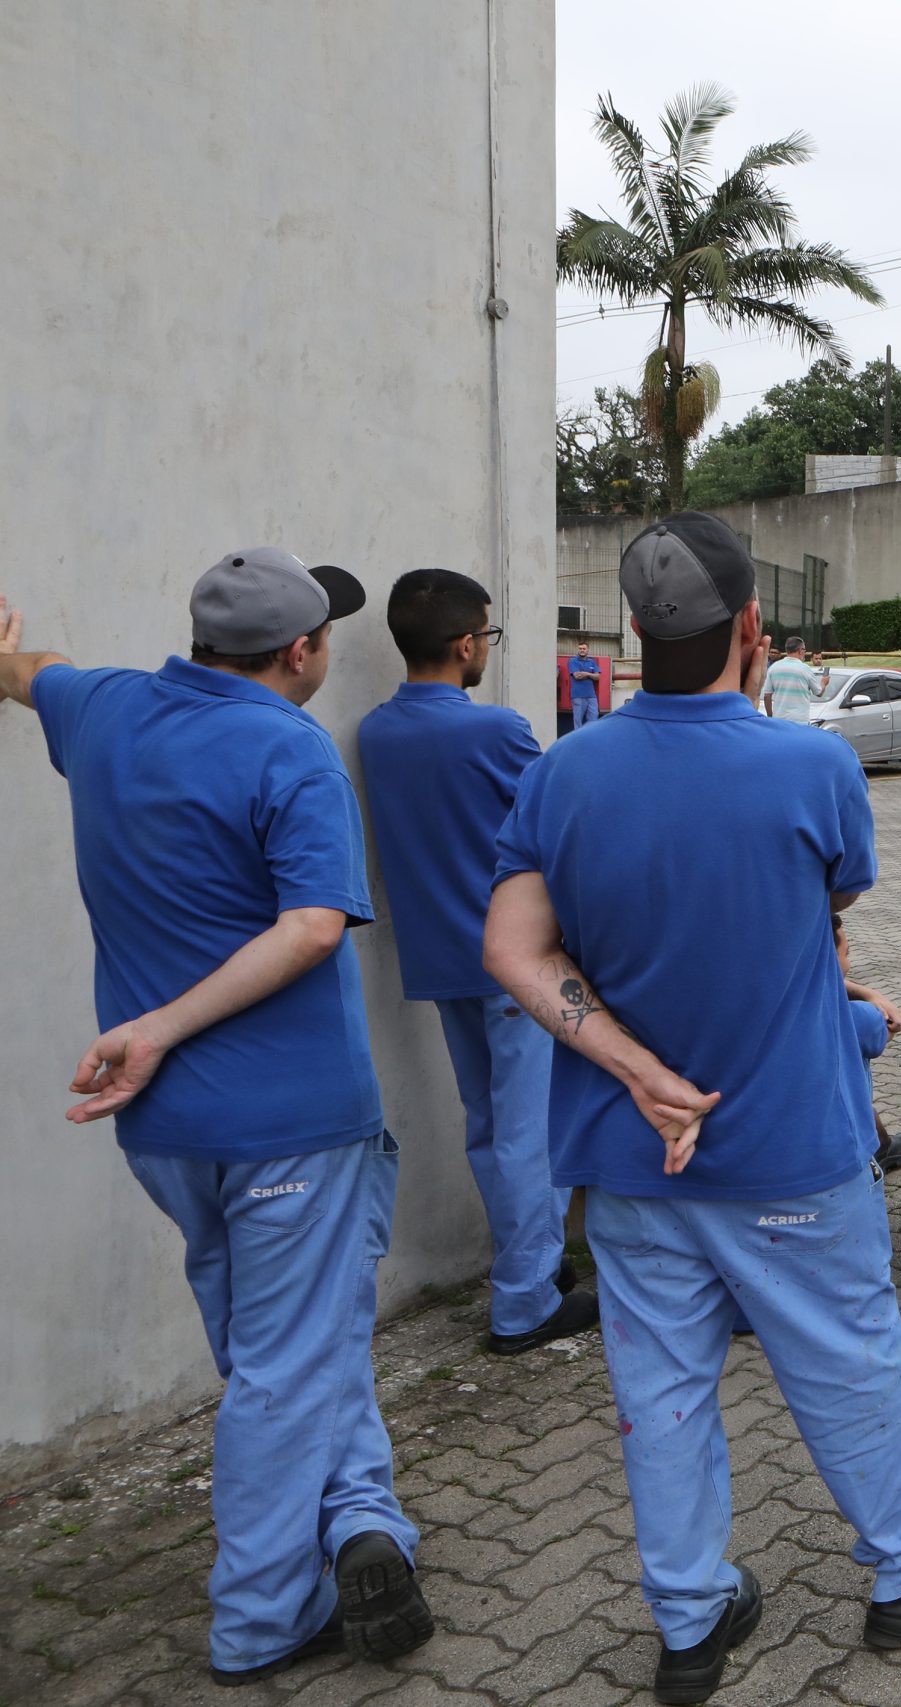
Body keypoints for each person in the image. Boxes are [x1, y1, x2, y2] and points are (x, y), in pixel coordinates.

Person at [483, 513, 901, 1701]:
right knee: (847, 1366)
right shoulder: (811, 766)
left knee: (660, 1395)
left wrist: (628, 1060)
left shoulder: (560, 773)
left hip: (630, 1156)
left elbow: (513, 951)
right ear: (751, 629)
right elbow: (835, 897)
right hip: (789, 1151)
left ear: (628, 634)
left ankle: (689, 1621)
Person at [0, 558, 434, 1685]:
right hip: (288, 1125)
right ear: (301, 654)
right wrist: (161, 1026)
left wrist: (2, 654)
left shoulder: (104, 708)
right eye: (327, 635)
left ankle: (359, 1527)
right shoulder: (289, 750)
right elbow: (308, 930)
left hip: (168, 1136)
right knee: (288, 1369)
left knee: (281, 1348)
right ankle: (261, 1615)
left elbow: (34, 672)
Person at [358, 569, 593, 1357]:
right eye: (487, 637)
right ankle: (524, 1299)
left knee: (492, 1127)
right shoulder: (496, 730)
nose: (487, 650)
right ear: (465, 645)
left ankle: (533, 1266)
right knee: (533, 1128)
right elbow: (558, 827)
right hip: (516, 959)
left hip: (439, 959)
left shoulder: (376, 731)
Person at [762, 635, 820, 723]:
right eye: (804, 650)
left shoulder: (773, 668)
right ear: (800, 651)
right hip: (800, 721)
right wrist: (824, 682)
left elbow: (767, 696)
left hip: (779, 721)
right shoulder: (805, 668)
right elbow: (818, 692)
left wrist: (770, 716)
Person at [567, 639, 607, 730]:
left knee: (593, 721)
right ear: (578, 650)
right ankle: (578, 741)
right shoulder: (573, 661)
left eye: (584, 648)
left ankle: (591, 740)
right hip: (578, 696)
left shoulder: (591, 662)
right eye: (580, 648)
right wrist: (591, 675)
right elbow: (577, 676)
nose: (582, 650)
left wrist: (587, 674)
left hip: (591, 696)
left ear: (587, 650)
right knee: (578, 722)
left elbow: (598, 677)